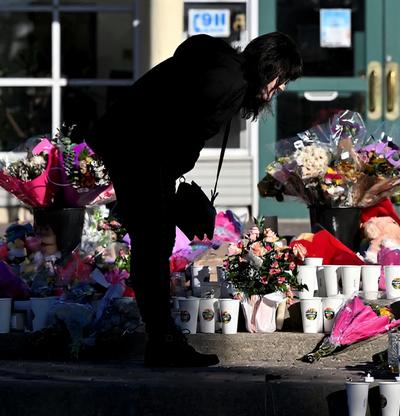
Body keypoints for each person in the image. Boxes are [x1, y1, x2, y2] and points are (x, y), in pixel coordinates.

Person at [85, 33, 302, 367]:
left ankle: (162, 338)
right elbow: (169, 124)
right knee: (155, 239)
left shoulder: (225, 73)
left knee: (153, 239)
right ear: (270, 67)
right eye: (282, 78)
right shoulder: (224, 80)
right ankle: (162, 341)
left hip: (136, 149)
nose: (281, 88)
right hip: (139, 150)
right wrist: (165, 184)